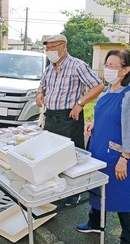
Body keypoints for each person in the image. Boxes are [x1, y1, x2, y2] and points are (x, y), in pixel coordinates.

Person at [76, 49, 130, 244]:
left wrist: (125, 158)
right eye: (107, 65)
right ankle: (95, 224)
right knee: (98, 188)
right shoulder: (108, 89)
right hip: (99, 150)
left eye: (113, 66)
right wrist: (94, 125)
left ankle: (129, 241)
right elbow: (107, 117)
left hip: (118, 155)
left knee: (125, 196)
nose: (108, 69)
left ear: (125, 70)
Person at [36, 34, 104, 206]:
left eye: (53, 47)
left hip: (69, 116)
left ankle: (74, 192)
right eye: (47, 48)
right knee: (51, 154)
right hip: (51, 116)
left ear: (63, 47)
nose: (49, 51)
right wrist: (39, 94)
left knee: (71, 156)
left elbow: (98, 85)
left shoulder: (77, 65)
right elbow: (42, 86)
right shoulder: (49, 68)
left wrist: (80, 103)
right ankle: (56, 187)